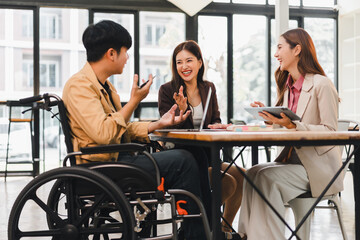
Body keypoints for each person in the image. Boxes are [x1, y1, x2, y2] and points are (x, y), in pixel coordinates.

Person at [62, 20, 208, 240]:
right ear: (112, 53)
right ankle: (197, 234)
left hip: (116, 160)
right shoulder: (79, 86)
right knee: (184, 160)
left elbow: (120, 129)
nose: (127, 57)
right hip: (102, 167)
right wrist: (133, 102)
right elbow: (103, 133)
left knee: (194, 155)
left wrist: (158, 124)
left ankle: (202, 229)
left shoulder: (104, 86)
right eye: (125, 52)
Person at [238, 28, 343, 240]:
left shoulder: (322, 84)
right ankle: (246, 236)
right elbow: (288, 127)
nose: (275, 54)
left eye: (279, 47)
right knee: (251, 173)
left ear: (297, 49)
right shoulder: (288, 89)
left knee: (266, 178)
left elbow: (331, 132)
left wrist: (294, 126)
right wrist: (270, 117)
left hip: (318, 169)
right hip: (294, 163)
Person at [158, 40, 244, 238]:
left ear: (199, 62)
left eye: (189, 60)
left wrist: (218, 125)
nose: (184, 66)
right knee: (228, 182)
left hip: (209, 153)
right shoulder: (167, 90)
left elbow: (215, 119)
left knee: (242, 175)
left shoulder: (209, 88)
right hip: (184, 156)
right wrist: (182, 111)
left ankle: (223, 228)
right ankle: (206, 227)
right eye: (179, 62)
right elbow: (168, 128)